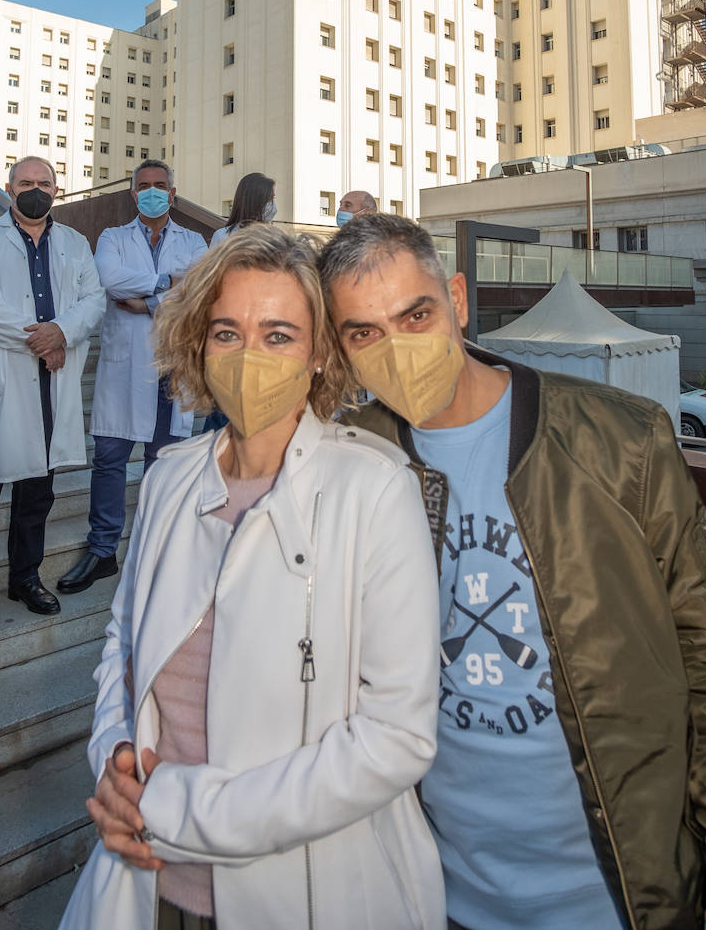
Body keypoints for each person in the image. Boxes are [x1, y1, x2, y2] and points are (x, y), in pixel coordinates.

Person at [317, 213, 706, 930]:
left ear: (459, 301)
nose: (398, 348)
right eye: (364, 332)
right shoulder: (347, 463)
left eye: (416, 314)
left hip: (630, 892)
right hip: (435, 894)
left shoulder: (622, 441)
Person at [57, 226, 444, 930]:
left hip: (308, 897)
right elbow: (123, 644)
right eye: (228, 332)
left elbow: (396, 737)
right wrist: (115, 761)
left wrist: (173, 809)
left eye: (278, 335)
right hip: (146, 888)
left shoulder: (375, 489)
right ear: (199, 343)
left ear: (320, 355)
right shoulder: (171, 478)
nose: (248, 357)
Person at [0, 157, 105, 640]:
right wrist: (40, 338)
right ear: (8, 189)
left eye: (43, 184)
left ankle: (24, 579)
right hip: (0, 383)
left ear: (56, 190)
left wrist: (62, 331)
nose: (34, 190)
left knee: (37, 494)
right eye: (25, 183)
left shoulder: (75, 244)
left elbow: (93, 301)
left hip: (49, 383)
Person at [57, 162, 207, 595]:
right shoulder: (111, 238)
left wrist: (149, 303)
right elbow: (109, 278)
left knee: (165, 466)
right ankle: (102, 550)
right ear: (132, 194)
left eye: (160, 186)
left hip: (169, 367)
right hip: (124, 367)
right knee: (109, 461)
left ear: (173, 194)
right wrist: (166, 286)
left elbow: (199, 290)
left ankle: (157, 551)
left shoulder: (194, 240)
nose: (152, 192)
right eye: (144, 187)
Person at [209, 171, 276, 247]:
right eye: (269, 198)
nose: (272, 204)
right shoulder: (222, 237)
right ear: (253, 201)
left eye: (273, 198)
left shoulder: (275, 238)